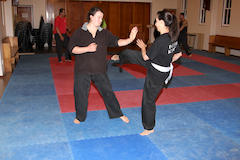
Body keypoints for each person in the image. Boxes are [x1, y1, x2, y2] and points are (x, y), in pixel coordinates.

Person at [111, 10, 182, 136]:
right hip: (158, 66)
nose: (155, 22)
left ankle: (149, 127)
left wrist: (143, 47)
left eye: (156, 20)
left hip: (156, 74)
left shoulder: (161, 41)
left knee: (148, 101)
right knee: (130, 53)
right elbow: (179, 54)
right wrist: (167, 60)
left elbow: (145, 57)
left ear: (161, 22)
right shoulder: (173, 37)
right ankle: (120, 57)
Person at [68, 7, 138, 124]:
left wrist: (130, 39)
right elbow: (71, 49)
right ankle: (79, 117)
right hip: (82, 70)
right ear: (91, 17)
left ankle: (117, 113)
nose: (101, 20)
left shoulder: (104, 33)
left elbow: (117, 42)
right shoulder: (79, 32)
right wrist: (87, 49)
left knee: (108, 92)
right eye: (99, 17)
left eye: (102, 18)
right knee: (80, 94)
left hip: (99, 70)